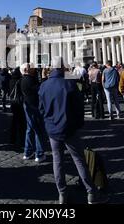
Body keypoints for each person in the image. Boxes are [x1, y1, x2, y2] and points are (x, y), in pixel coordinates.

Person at [39, 56, 109, 205]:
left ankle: (62, 195)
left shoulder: (44, 85)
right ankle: (91, 194)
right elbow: (79, 107)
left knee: (57, 161)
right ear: (64, 67)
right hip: (70, 128)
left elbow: (41, 109)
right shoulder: (69, 83)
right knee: (79, 160)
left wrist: (49, 121)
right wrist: (78, 124)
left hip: (52, 130)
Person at [20, 63, 46, 162]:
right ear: (27, 69)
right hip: (34, 107)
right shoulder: (29, 80)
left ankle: (28, 152)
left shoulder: (24, 79)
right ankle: (39, 154)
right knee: (38, 130)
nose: (34, 67)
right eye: (31, 66)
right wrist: (43, 78)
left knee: (30, 129)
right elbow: (41, 89)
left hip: (28, 106)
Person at [9, 67, 26, 150]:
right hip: (19, 103)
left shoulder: (11, 80)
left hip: (13, 102)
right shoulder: (20, 81)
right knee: (21, 122)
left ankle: (12, 138)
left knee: (14, 121)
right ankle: (22, 139)